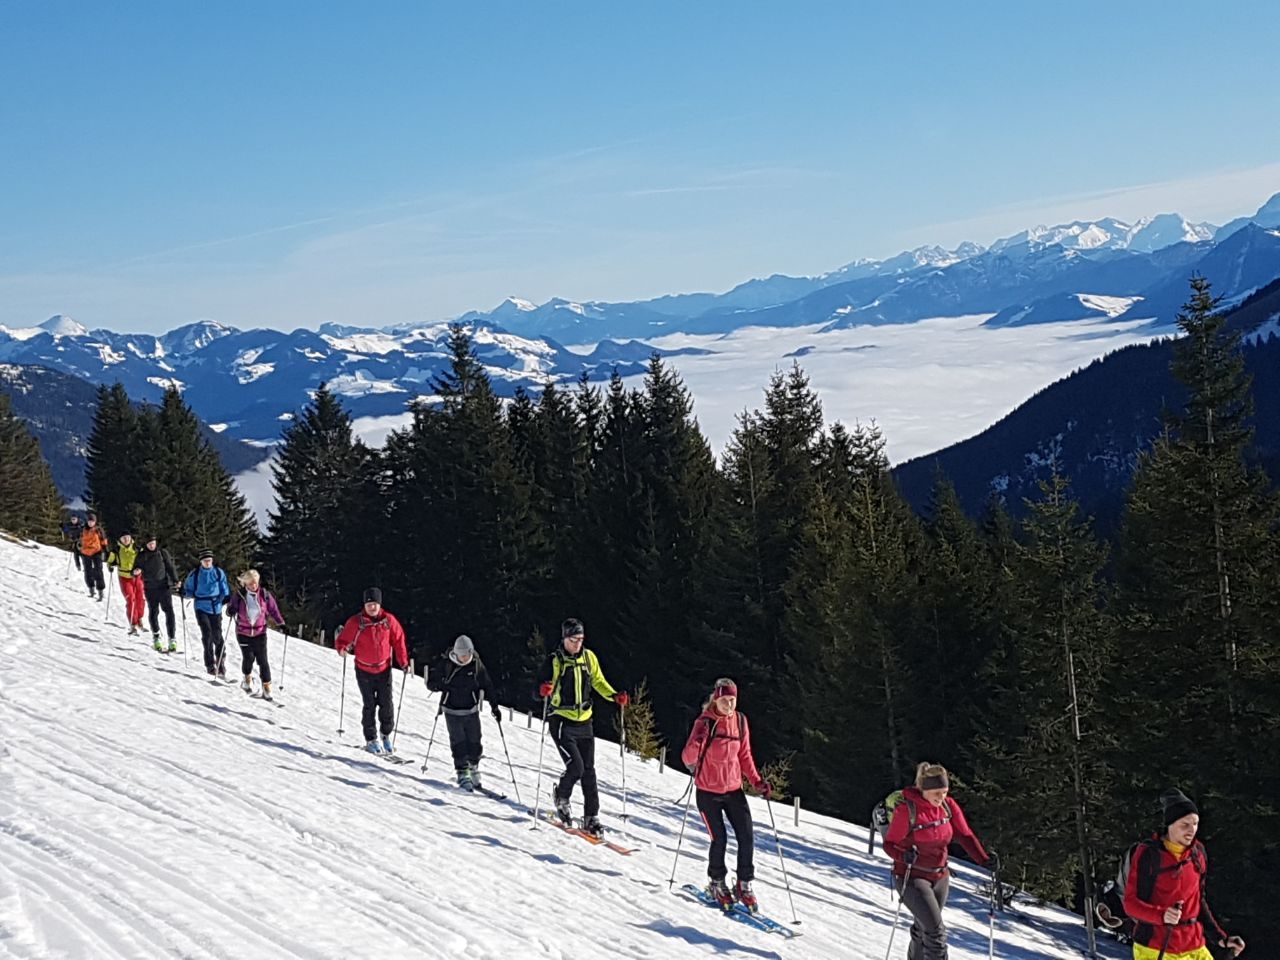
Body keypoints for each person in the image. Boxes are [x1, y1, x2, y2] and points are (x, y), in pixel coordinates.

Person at [882, 762, 995, 960]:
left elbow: (965, 835)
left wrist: (984, 860)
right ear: (924, 789)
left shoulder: (947, 806)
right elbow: (889, 844)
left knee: (923, 928)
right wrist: (903, 855)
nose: (941, 797)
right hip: (912, 877)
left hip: (940, 876)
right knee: (936, 933)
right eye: (937, 793)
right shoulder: (907, 810)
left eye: (944, 792)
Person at [680, 677, 772, 912]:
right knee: (719, 838)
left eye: (732, 700)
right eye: (724, 701)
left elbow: (745, 755)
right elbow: (687, 758)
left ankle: (744, 884)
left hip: (733, 790)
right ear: (716, 700)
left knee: (747, 836)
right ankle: (717, 882)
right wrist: (698, 741)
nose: (729, 705)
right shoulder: (705, 722)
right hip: (707, 792)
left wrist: (757, 782)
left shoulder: (740, 721)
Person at [1122, 788, 1246, 960]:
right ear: (1170, 824)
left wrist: (1220, 938)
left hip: (1194, 944)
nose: (1192, 830)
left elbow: (1198, 900)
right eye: (1185, 825)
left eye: (1195, 824)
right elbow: (1131, 904)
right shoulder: (1149, 854)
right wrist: (1161, 915)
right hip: (1155, 947)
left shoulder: (1198, 853)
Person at [536, 617, 628, 837]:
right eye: (573, 639)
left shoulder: (589, 658)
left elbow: (598, 681)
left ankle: (591, 817)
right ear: (565, 639)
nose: (578, 643)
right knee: (575, 767)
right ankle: (562, 796)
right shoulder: (556, 661)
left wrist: (613, 696)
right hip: (562, 721)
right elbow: (540, 686)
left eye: (581, 639)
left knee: (589, 771)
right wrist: (542, 691)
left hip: (585, 721)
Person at [335, 588, 409, 754]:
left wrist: (404, 663)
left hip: (384, 669)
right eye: (369, 605)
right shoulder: (356, 622)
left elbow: (399, 641)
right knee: (369, 705)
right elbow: (343, 639)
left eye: (374, 604)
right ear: (364, 605)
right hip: (363, 670)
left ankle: (386, 735)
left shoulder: (388, 621)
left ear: (380, 604)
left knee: (386, 704)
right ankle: (371, 739)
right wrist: (342, 648)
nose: (372, 608)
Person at [426, 635, 501, 790]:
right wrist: (439, 685)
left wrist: (494, 706)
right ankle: (462, 772)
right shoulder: (447, 663)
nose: (464, 658)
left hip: (471, 709)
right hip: (451, 710)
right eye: (461, 655)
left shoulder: (476, 664)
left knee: (475, 741)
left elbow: (487, 684)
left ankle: (473, 766)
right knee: (458, 742)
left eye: (466, 655)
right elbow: (431, 682)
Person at [225, 569, 285, 700]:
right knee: (248, 658)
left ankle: (267, 687)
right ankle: (247, 679)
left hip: (260, 633)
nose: (254, 585)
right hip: (243, 632)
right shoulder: (240, 595)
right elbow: (231, 608)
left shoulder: (264, 595)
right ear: (245, 583)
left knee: (263, 660)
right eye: (251, 583)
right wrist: (230, 611)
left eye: (255, 582)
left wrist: (281, 623)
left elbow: (274, 610)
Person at [183, 550, 231, 676]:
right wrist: (184, 592)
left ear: (212, 560)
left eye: (209, 560)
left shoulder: (218, 572)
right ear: (201, 561)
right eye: (205, 561)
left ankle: (220, 660)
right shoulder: (195, 574)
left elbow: (224, 589)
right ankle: (210, 664)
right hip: (201, 606)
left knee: (217, 635)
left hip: (216, 607)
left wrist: (224, 599)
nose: (207, 563)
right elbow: (188, 589)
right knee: (207, 634)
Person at [136, 535, 179, 651]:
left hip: (164, 587)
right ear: (146, 545)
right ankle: (156, 637)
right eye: (149, 543)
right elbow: (135, 568)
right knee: (154, 612)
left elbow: (170, 567)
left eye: (153, 543)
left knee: (169, 611)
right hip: (150, 588)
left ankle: (172, 638)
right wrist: (135, 571)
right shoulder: (142, 555)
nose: (151, 545)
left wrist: (175, 580)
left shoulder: (162, 553)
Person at [106, 532, 146, 635]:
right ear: (120, 540)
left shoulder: (137, 548)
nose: (126, 540)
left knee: (140, 598)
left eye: (127, 537)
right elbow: (110, 561)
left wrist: (141, 568)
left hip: (137, 577)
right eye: (123, 538)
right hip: (124, 577)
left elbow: (144, 560)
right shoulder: (117, 550)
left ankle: (139, 619)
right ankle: (133, 623)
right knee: (131, 599)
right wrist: (110, 566)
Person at [79, 513, 108, 600]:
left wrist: (105, 550)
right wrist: (78, 545)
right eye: (89, 521)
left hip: (96, 552)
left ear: (95, 522)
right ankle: (91, 588)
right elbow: (79, 539)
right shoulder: (83, 529)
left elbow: (103, 539)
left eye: (92, 521)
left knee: (98, 571)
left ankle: (100, 590)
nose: (90, 523)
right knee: (88, 571)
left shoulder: (98, 530)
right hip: (85, 552)